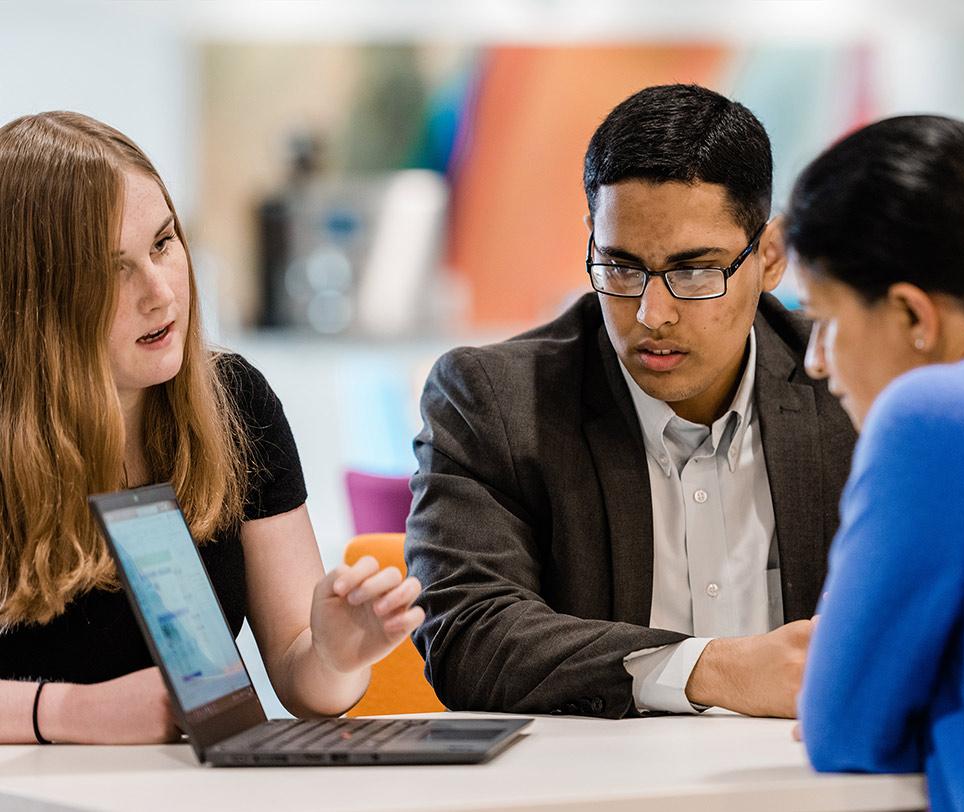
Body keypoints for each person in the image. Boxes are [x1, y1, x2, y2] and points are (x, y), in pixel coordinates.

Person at [405, 84, 855, 720]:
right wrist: (711, 670)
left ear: (771, 257)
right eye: (620, 267)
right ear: (592, 239)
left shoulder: (850, 383)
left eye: (695, 270)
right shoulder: (496, 401)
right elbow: (469, 635)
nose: (652, 313)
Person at [0, 111, 424, 744]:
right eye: (113, 269)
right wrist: (69, 714)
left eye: (163, 244)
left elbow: (301, 676)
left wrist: (336, 656)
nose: (160, 293)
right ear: (37, 296)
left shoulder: (235, 400)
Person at [789, 115, 964, 811]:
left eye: (825, 318)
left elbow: (844, 730)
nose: (816, 361)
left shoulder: (938, 415)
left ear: (913, 314)